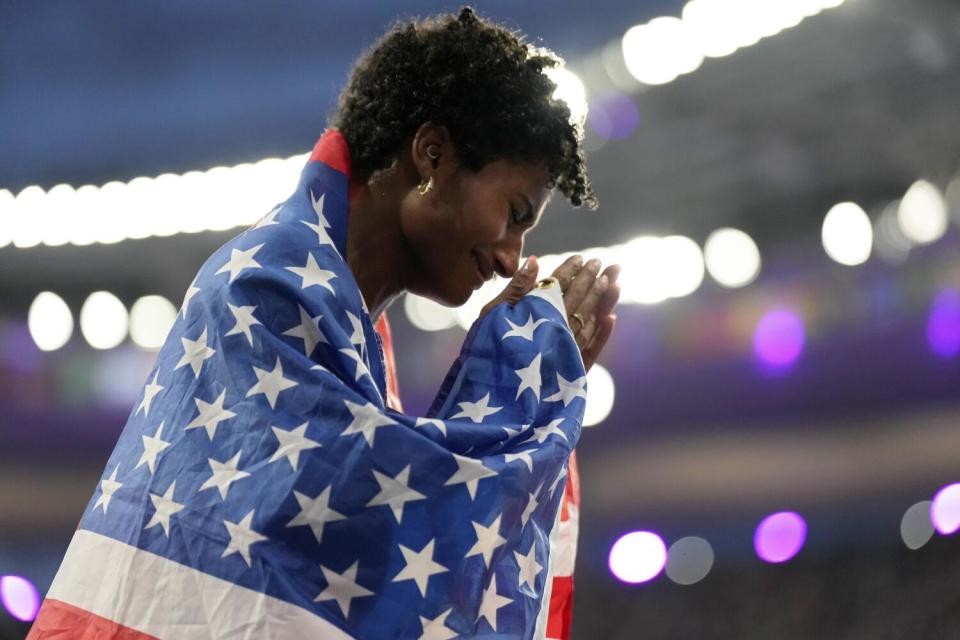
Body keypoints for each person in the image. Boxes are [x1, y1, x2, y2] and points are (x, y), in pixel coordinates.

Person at [29, 8, 620, 639]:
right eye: (513, 212)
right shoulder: (267, 283)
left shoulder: (356, 337)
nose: (510, 257)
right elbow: (357, 547)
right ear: (432, 155)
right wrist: (515, 378)